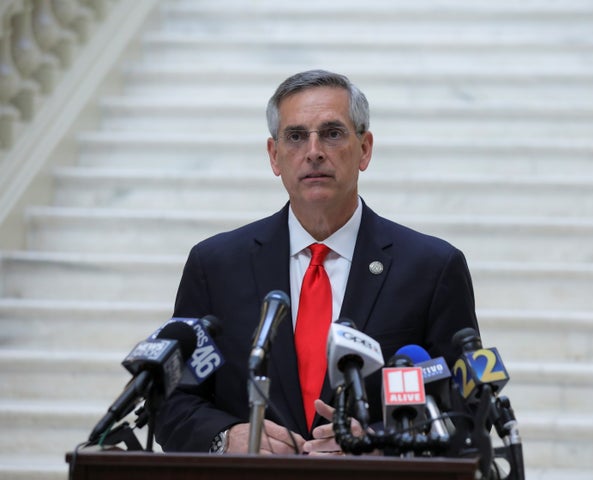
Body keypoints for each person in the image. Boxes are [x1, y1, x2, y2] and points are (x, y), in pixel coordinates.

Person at [154, 69, 480, 455]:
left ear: (365, 149)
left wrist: (379, 447)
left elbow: (469, 411)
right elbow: (171, 401)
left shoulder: (432, 268)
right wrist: (226, 438)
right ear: (275, 156)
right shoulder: (216, 266)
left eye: (332, 133)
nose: (313, 151)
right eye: (295, 136)